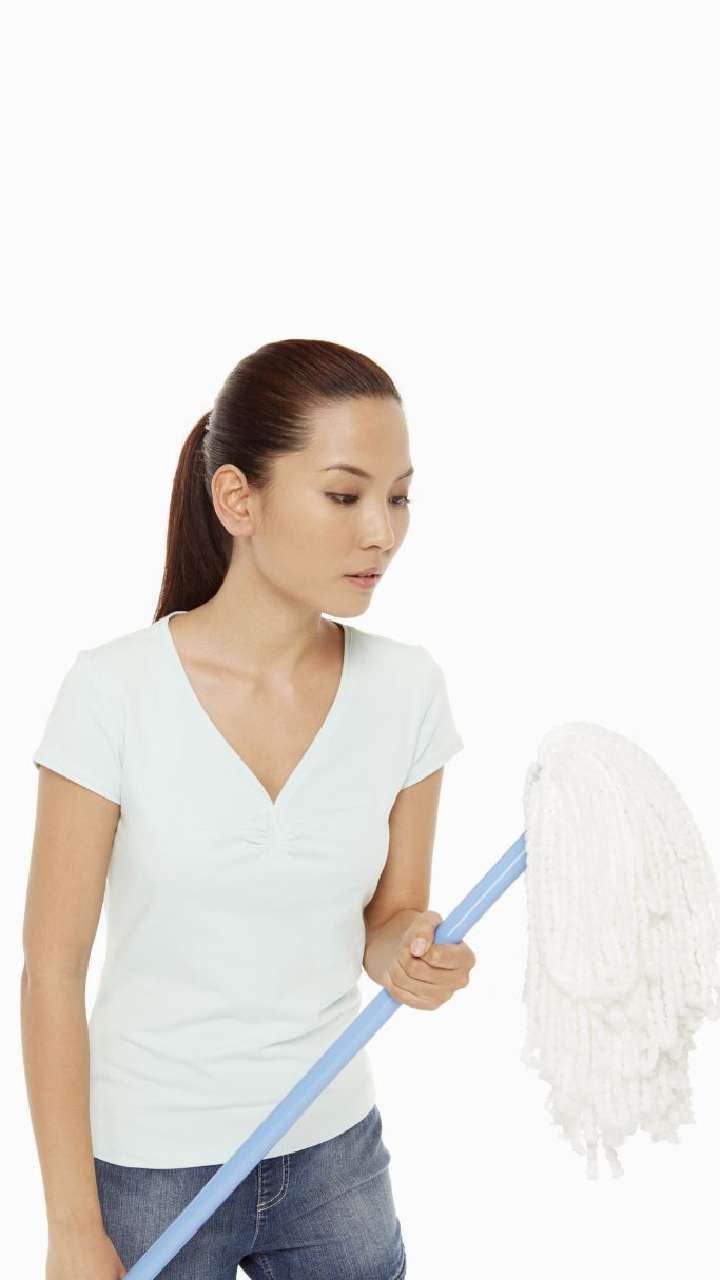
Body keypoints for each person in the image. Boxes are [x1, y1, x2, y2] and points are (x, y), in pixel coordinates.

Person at [22, 338, 474, 1279]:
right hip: (151, 1169)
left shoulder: (407, 690)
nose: (381, 533)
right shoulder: (112, 693)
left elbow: (387, 922)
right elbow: (51, 973)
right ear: (238, 500)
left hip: (335, 1151)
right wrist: (72, 1228)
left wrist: (415, 956)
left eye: (399, 497)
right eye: (344, 495)